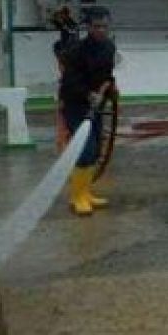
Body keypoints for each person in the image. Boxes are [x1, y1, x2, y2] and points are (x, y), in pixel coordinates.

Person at [58, 13, 117, 216]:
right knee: (85, 149)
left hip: (97, 104)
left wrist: (110, 89)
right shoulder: (76, 51)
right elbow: (69, 81)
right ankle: (76, 197)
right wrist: (87, 94)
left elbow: (106, 75)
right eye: (97, 26)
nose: (101, 30)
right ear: (89, 28)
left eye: (104, 26)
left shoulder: (109, 47)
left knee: (95, 149)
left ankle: (86, 193)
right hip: (75, 104)